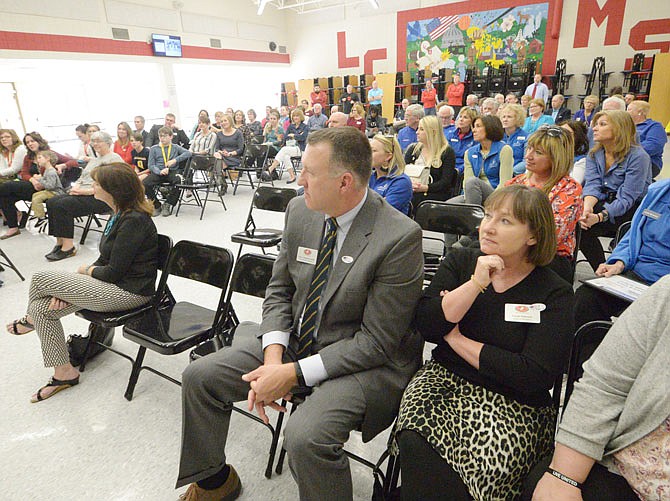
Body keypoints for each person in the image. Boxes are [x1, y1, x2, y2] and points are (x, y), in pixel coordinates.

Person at [175, 126, 424, 501]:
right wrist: (275, 358)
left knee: (306, 436)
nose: (298, 178)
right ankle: (215, 481)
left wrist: (290, 373)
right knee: (200, 377)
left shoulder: (398, 236)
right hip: (295, 343)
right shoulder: (301, 210)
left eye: (308, 171)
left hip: (364, 362)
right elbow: (279, 289)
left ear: (344, 182)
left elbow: (377, 342)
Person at [395, 184, 574, 501]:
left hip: (514, 406)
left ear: (533, 235)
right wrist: (476, 283)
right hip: (444, 382)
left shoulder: (554, 292)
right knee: (416, 439)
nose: (487, 227)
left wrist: (457, 339)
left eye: (505, 221)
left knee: (489, 463)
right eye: (488, 215)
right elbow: (427, 325)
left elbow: (533, 375)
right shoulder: (462, 262)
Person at [6, 163, 158, 403]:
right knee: (41, 308)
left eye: (97, 183)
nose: (92, 186)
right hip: (111, 287)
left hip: (130, 292)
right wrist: (71, 288)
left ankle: (29, 321)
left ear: (113, 189)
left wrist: (84, 270)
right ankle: (64, 373)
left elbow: (112, 273)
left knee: (40, 277)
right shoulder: (118, 213)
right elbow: (105, 259)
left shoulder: (134, 220)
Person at [524, 275, 670, 501]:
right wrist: (619, 263)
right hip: (630, 467)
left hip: (650, 276)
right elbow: (604, 385)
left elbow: (527, 372)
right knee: (586, 299)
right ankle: (575, 363)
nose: (486, 235)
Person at [573, 177, 670, 329]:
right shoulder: (658, 191)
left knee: (645, 323)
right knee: (585, 300)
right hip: (638, 275)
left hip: (664, 283)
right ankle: (589, 352)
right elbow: (633, 235)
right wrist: (619, 262)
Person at [507, 125, 583, 283]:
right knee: (467, 252)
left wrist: (508, 237)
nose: (528, 156)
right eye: (529, 148)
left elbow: (553, 236)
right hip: (511, 248)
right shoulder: (516, 182)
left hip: (549, 258)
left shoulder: (569, 189)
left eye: (538, 152)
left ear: (556, 157)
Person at [579, 110, 652, 271]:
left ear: (619, 128)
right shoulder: (595, 153)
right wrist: (587, 208)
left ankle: (614, 268)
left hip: (633, 208)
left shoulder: (639, 156)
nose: (595, 128)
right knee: (579, 222)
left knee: (597, 221)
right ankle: (601, 267)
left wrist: (598, 217)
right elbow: (592, 185)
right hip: (605, 200)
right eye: (596, 124)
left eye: (602, 124)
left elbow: (627, 198)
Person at [44, 131, 123, 259]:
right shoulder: (94, 160)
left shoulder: (114, 159)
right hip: (82, 193)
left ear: (108, 143)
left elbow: (111, 186)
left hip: (100, 198)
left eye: (99, 141)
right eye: (93, 141)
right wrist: (76, 187)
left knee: (63, 205)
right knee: (52, 202)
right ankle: (60, 241)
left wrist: (83, 191)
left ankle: (68, 247)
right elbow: (82, 177)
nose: (95, 144)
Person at [0, 132, 78, 239]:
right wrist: (33, 180)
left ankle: (23, 218)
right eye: (27, 142)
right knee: (5, 195)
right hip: (34, 185)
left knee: (5, 187)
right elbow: (24, 173)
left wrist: (62, 165)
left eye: (32, 141)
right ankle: (13, 227)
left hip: (48, 187)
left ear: (39, 141)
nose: (30, 144)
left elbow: (73, 162)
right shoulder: (28, 157)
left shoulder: (49, 153)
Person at [405, 115, 457, 209]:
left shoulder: (447, 152)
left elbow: (445, 182)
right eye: (418, 129)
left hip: (434, 194)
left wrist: (425, 188)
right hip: (411, 189)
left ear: (433, 132)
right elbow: (402, 173)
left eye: (421, 129)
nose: (417, 132)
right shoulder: (412, 150)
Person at [461, 115, 514, 205]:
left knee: (472, 181)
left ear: (490, 128)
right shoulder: (469, 153)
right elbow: (466, 183)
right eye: (473, 127)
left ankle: (472, 216)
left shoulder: (505, 150)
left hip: (496, 195)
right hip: (473, 194)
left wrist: (492, 203)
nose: (473, 130)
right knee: (445, 207)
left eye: (478, 126)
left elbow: (504, 184)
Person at [144, 126, 192, 218]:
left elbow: (188, 153)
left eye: (165, 136)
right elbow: (151, 165)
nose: (162, 138)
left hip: (172, 171)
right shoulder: (154, 148)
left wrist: (175, 160)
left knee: (179, 181)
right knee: (145, 183)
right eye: (160, 136)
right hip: (159, 172)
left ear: (171, 137)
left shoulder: (175, 147)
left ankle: (169, 203)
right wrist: (159, 171)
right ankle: (156, 205)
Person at [369, 134, 412, 215]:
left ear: (388, 156)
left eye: (373, 151)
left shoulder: (401, 182)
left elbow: (381, 212)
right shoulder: (367, 177)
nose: (367, 154)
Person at [264, 108, 308, 184]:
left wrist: (293, 135)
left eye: (297, 116)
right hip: (290, 147)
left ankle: (270, 169)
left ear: (301, 117)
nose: (295, 118)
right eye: (294, 116)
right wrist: (296, 136)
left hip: (300, 148)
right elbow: (285, 137)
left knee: (284, 150)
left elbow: (303, 138)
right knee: (285, 156)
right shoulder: (291, 126)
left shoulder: (305, 127)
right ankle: (292, 176)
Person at [627, 100, 667, 178]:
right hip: (625, 159)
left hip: (649, 162)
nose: (626, 112)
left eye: (629, 109)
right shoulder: (626, 126)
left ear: (640, 112)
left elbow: (653, 146)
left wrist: (627, 152)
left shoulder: (655, 126)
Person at [30, 150, 66, 226]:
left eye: (40, 158)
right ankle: (37, 213)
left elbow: (50, 186)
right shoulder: (47, 170)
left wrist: (39, 179)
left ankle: (42, 218)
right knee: (35, 195)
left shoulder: (51, 172)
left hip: (55, 192)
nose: (38, 160)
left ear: (47, 159)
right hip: (50, 191)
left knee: (37, 199)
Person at [445, 106, 478, 173]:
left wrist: (459, 170)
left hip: (466, 168)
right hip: (450, 166)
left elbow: (473, 160)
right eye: (460, 117)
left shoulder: (475, 138)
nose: (461, 119)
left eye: (465, 117)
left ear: (472, 121)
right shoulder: (450, 135)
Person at [501, 104, 529, 175]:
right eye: (503, 117)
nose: (505, 119)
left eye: (509, 117)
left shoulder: (527, 137)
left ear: (518, 119)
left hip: (516, 175)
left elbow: (526, 161)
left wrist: (509, 172)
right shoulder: (497, 136)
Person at [560, 120, 590, 184]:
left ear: (577, 137)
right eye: (560, 132)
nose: (561, 136)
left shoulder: (581, 161)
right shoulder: (550, 156)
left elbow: (573, 185)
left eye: (567, 133)